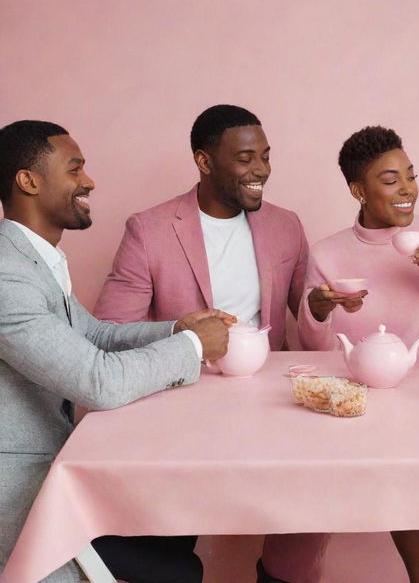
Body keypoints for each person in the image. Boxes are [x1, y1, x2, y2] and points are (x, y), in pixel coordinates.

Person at [93, 105, 321, 583]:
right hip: (179, 405)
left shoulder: (286, 225)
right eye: (244, 158)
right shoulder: (149, 229)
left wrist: (324, 305)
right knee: (168, 532)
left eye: (265, 156)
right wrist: (188, 335)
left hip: (268, 406)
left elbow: (306, 315)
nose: (260, 170)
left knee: (304, 509)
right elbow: (111, 331)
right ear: (204, 161)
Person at [0, 120, 231, 583]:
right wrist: (191, 346)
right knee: (179, 567)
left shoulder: (34, 262)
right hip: (22, 493)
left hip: (65, 472)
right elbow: (97, 381)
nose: (89, 181)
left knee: (177, 530)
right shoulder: (9, 275)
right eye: (74, 169)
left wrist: (178, 326)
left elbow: (97, 336)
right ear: (29, 181)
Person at [298, 125, 419, 583]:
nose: (407, 190)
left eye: (411, 176)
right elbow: (316, 356)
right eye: (390, 179)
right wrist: (317, 311)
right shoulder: (327, 254)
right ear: (358, 190)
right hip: (352, 411)